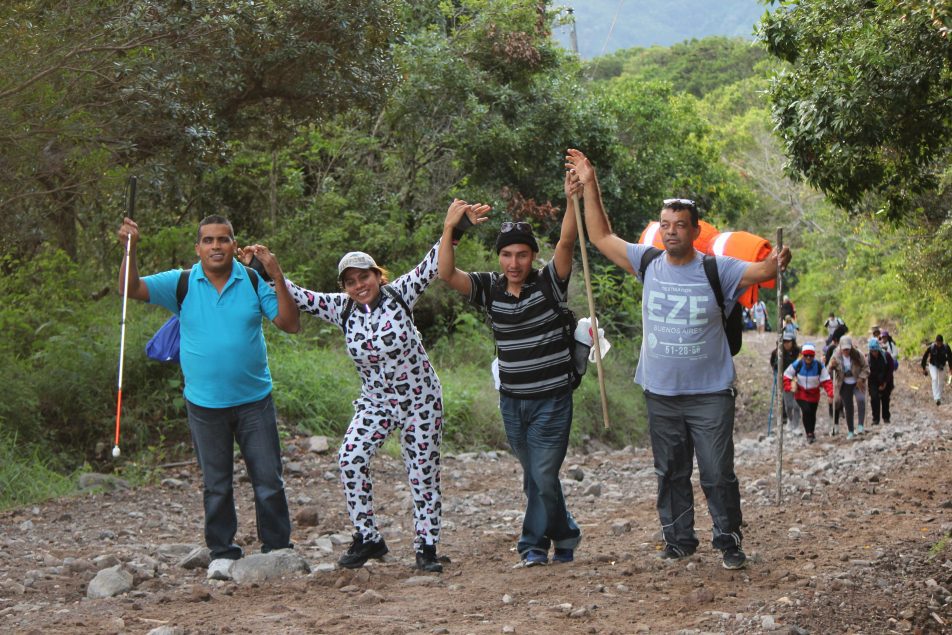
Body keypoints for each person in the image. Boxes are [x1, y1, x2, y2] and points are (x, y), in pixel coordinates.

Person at [566, 148, 791, 570]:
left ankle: (728, 540)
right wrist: (590, 184)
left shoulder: (718, 269)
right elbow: (600, 237)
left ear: (694, 230)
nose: (670, 232)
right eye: (665, 225)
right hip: (661, 392)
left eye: (679, 226)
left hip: (711, 394)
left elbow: (763, 273)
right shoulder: (647, 262)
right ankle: (678, 540)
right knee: (670, 471)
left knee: (717, 471)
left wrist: (778, 262)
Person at [268, 201, 489, 572]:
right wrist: (269, 270)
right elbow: (299, 296)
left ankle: (427, 547)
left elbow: (433, 263)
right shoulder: (342, 308)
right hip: (376, 403)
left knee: (422, 472)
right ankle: (368, 537)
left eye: (364, 277)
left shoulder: (400, 294)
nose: (359, 286)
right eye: (351, 281)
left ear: (378, 275)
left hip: (420, 400)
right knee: (350, 457)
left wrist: (455, 226)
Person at [117, 215, 300, 566]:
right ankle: (222, 552)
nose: (216, 246)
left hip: (255, 401)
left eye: (223, 239)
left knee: (268, 480)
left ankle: (277, 549)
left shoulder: (252, 280)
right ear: (198, 248)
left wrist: (276, 276)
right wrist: (130, 249)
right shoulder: (181, 282)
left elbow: (290, 324)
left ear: (234, 245)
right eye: (208, 240)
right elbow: (130, 288)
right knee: (216, 484)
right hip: (204, 405)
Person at [438, 171, 583, 568]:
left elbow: (566, 242)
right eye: (507, 255)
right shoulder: (490, 288)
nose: (514, 262)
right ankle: (566, 533)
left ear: (532, 256)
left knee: (541, 473)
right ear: (499, 257)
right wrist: (451, 229)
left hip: (552, 400)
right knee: (536, 476)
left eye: (521, 254)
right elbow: (446, 273)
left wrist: (571, 200)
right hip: (513, 403)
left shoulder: (550, 284)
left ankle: (532, 545)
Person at [782, 342, 834, 443]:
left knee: (812, 414)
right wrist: (788, 387)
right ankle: (809, 434)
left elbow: (827, 381)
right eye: (806, 355)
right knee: (806, 411)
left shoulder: (819, 366)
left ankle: (812, 432)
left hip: (814, 394)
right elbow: (786, 375)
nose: (808, 358)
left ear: (814, 356)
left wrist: (830, 393)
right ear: (803, 355)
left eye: (811, 355)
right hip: (801, 393)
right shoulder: (798, 364)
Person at [827, 335, 869, 440]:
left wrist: (861, 378)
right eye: (844, 349)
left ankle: (860, 426)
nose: (846, 351)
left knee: (861, 399)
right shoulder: (835, 356)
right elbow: (829, 372)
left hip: (857, 382)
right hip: (844, 384)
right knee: (848, 407)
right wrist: (831, 366)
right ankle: (850, 431)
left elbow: (866, 368)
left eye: (848, 349)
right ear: (840, 347)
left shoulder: (858, 354)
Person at [771, 332, 802, 434]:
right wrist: (776, 366)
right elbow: (773, 364)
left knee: (796, 405)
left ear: (793, 342)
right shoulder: (778, 352)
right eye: (784, 342)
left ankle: (796, 425)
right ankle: (790, 420)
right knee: (788, 405)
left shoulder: (799, 352)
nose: (786, 344)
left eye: (789, 341)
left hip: (797, 380)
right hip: (785, 381)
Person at [866, 338, 894, 425]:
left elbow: (890, 369)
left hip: (886, 379)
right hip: (873, 381)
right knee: (874, 398)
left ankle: (886, 417)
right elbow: (866, 370)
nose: (874, 353)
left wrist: (885, 382)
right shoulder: (868, 359)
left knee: (885, 398)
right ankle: (875, 419)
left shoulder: (886, 356)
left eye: (875, 351)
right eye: (872, 351)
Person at [921, 334, 952, 406]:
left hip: (942, 365)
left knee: (941, 382)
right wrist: (924, 368)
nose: (938, 345)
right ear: (935, 342)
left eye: (940, 343)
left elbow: (950, 358)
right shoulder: (931, 347)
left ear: (942, 342)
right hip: (933, 365)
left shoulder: (946, 347)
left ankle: (939, 398)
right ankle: (936, 397)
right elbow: (925, 357)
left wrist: (951, 368)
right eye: (937, 343)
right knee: (934, 378)